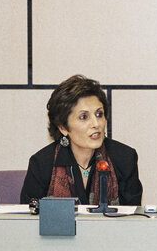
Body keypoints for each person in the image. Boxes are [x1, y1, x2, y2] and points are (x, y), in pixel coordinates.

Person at [20, 75, 142, 205]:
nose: (96, 124)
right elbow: (29, 220)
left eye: (99, 114)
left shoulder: (124, 158)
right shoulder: (42, 164)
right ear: (63, 127)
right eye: (84, 117)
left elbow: (133, 220)